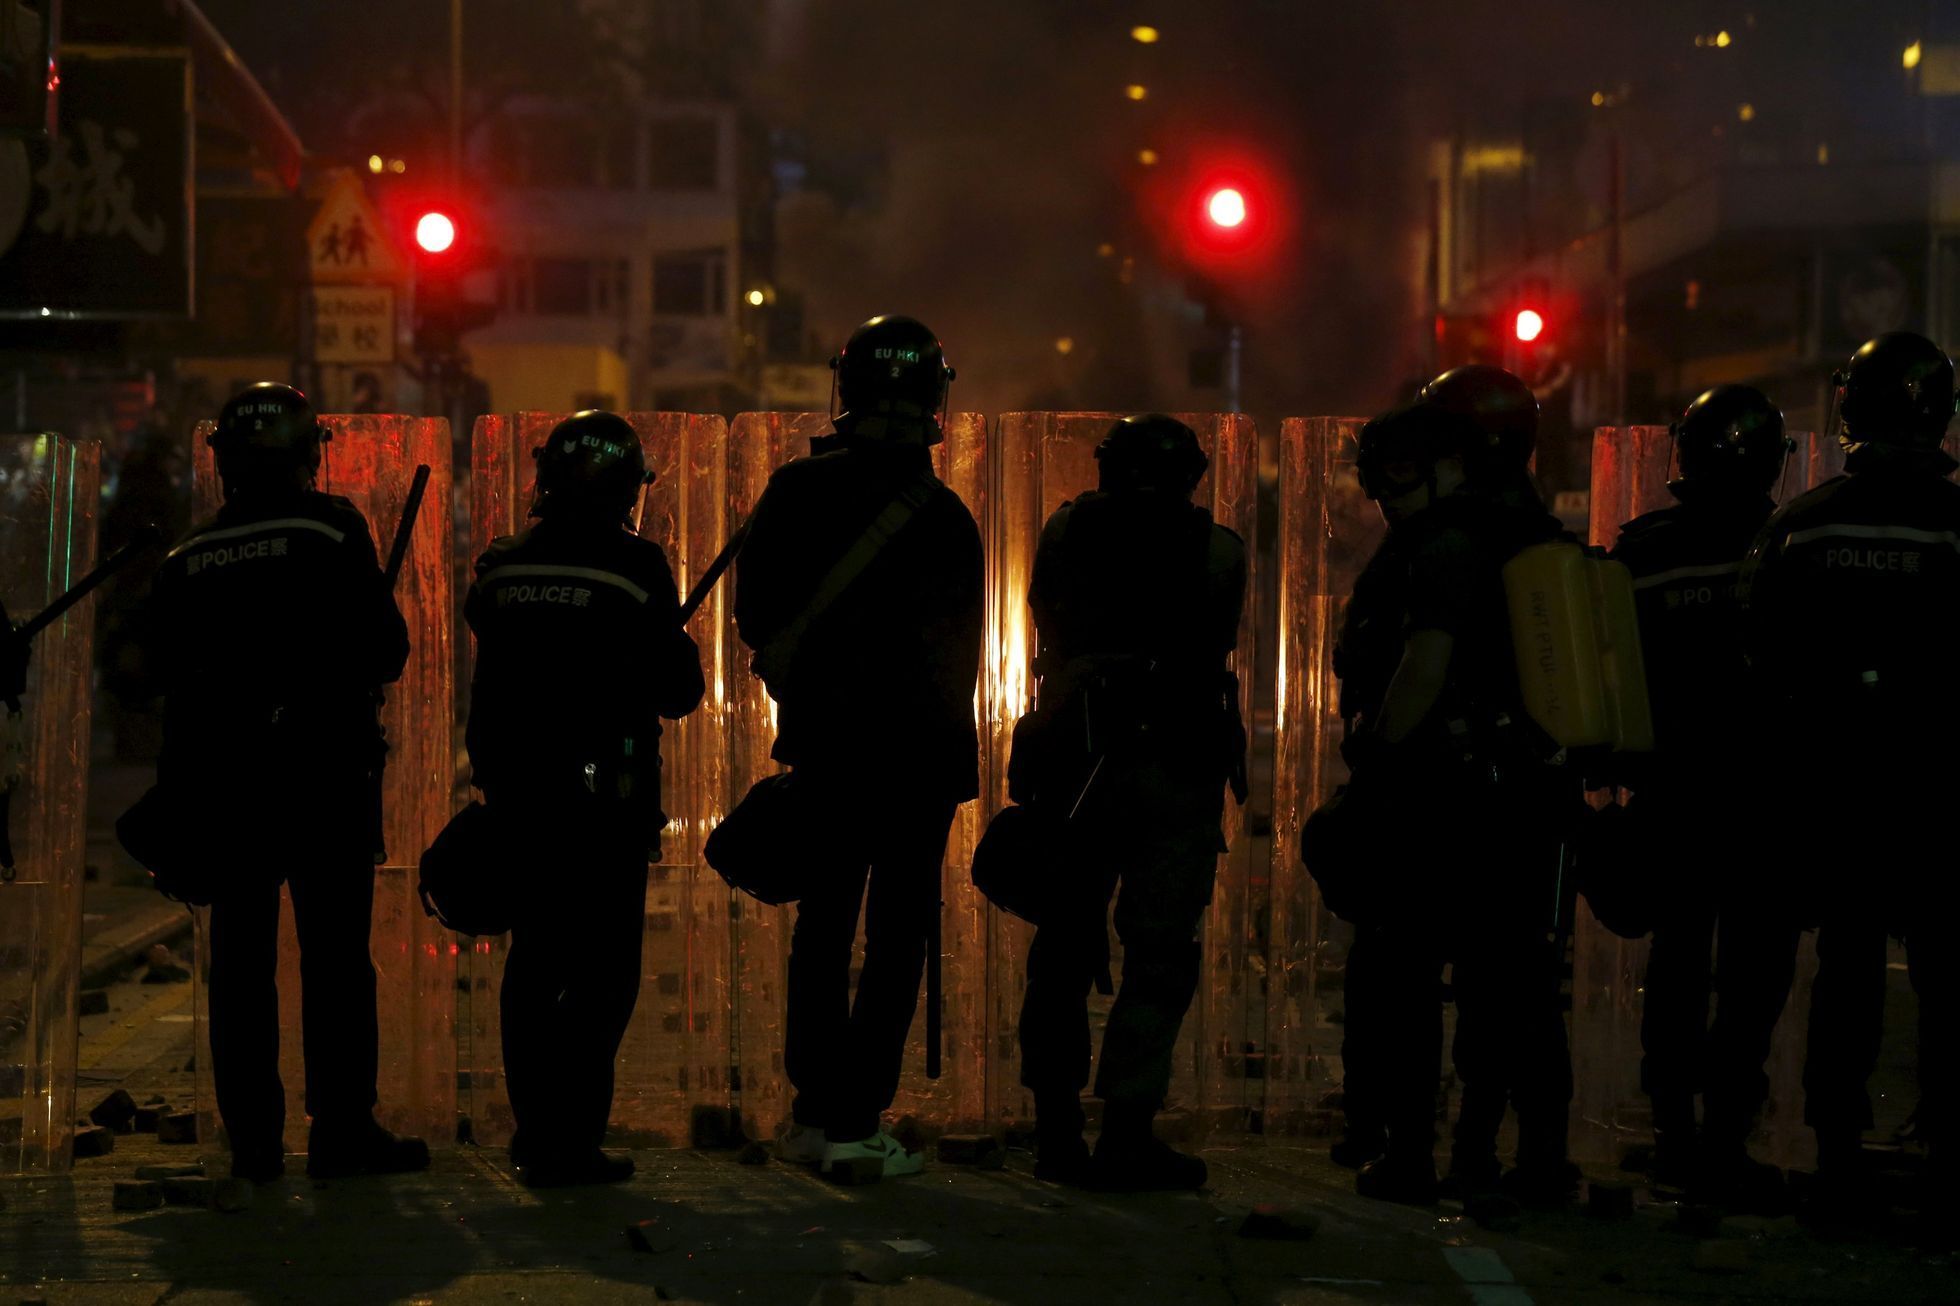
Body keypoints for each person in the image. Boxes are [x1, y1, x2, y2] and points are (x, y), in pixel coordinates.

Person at [144, 383, 422, 1183]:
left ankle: (255, 1142)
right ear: (309, 453)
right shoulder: (331, 529)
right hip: (323, 777)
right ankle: (341, 1133)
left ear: (225, 460)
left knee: (240, 962)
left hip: (226, 787)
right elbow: (385, 650)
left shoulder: (186, 557)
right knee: (335, 957)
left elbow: (154, 673)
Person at [734, 314, 983, 1181]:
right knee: (898, 935)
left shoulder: (795, 492)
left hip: (829, 752)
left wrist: (809, 698)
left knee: (824, 924)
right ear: (933, 398)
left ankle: (813, 1113)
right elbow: (961, 661)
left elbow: (755, 619)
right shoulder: (946, 516)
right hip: (917, 767)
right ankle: (857, 1116)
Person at [1328, 400, 1573, 1208]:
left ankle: (1414, 1156)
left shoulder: (1442, 546)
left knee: (1407, 980)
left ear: (1458, 461)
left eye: (1399, 475)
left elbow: (1424, 663)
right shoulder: (1529, 537)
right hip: (1523, 800)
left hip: (1438, 798)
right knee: (1514, 986)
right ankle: (1513, 1157)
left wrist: (1376, 755)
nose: (1384, 495)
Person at [1741, 331, 1960, 1228]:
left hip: (1832, 792)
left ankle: (1835, 1155)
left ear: (1851, 410)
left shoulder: (1804, 522)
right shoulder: (1956, 526)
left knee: (1848, 970)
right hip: (1940, 792)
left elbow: (1757, 659)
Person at [465, 410, 704, 1187]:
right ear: (628, 489)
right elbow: (678, 691)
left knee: (533, 962)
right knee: (603, 972)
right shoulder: (636, 566)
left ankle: (536, 1133)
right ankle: (573, 1137)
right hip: (606, 801)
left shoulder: (502, 565)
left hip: (518, 797)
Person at [1012, 414, 1248, 1191]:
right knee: (1158, 954)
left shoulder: (1068, 530)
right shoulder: (1217, 551)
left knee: (1064, 944)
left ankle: (1056, 1134)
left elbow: (1045, 621)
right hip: (1176, 768)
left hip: (1080, 762)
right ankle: (1126, 1131)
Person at [1612, 385, 1798, 1205]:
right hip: (1769, 796)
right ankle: (1726, 1138)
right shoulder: (1789, 540)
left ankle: (1675, 1135)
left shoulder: (1643, 550)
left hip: (1675, 792)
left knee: (1680, 963)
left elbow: (1610, 678)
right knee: (1755, 973)